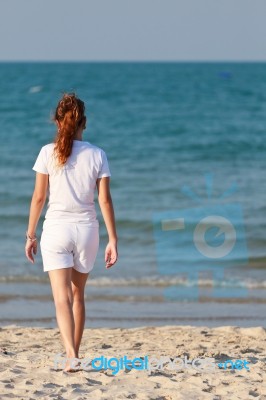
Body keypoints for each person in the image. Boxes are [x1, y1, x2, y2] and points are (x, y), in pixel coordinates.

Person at [25, 93, 118, 373]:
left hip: (56, 231)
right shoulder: (98, 154)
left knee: (61, 298)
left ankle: (70, 354)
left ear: (57, 122)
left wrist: (30, 235)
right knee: (78, 295)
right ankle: (73, 355)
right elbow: (104, 200)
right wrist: (113, 239)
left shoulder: (46, 153)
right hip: (86, 231)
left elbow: (39, 198)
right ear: (84, 123)